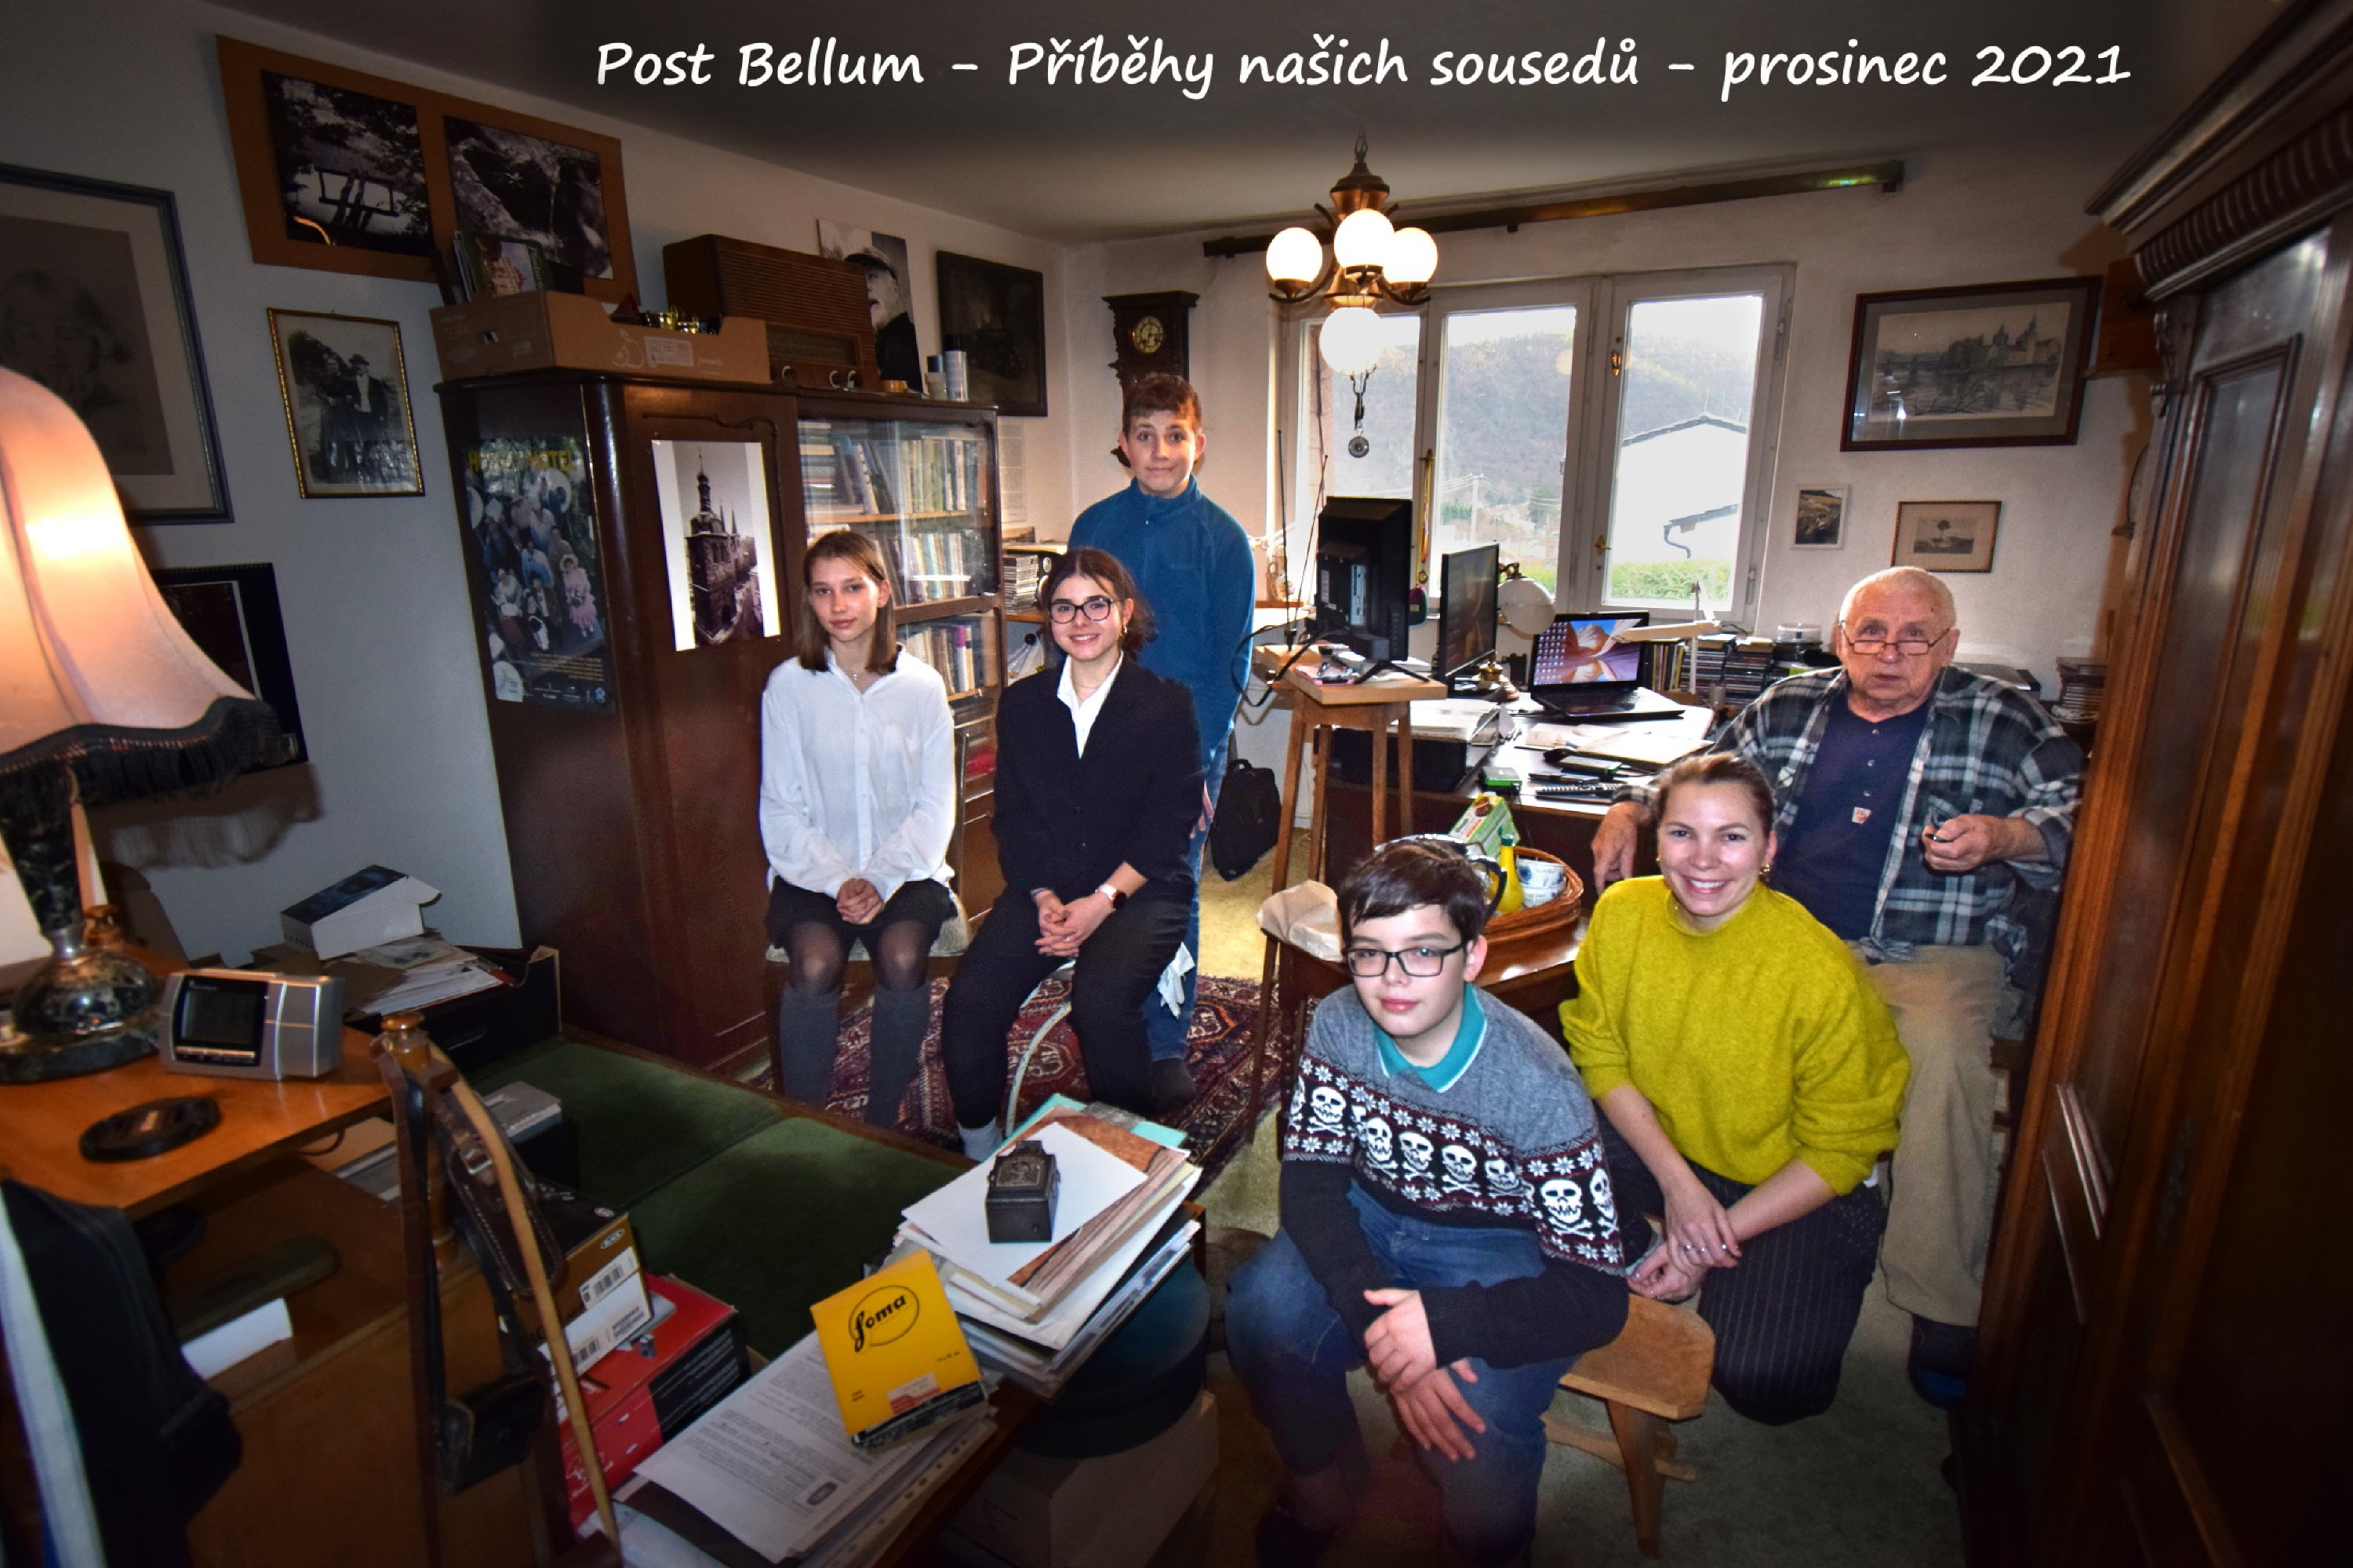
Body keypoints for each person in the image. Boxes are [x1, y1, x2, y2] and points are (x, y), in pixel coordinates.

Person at [1588, 566, 2082, 1406]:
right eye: (1870, 633)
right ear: (1840, 639)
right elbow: (1698, 774)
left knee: (1939, 1057)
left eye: (1915, 636)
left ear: (1950, 645)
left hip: (1931, 947)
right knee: (1678, 1020)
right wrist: (1629, 808)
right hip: (1785, 933)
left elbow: (2087, 811)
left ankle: (1939, 1295)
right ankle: (1720, 1188)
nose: (1890, 652)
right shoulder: (1788, 704)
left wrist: (2008, 835)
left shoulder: (2005, 717)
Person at [1225, 839, 1630, 1568]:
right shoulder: (1338, 1022)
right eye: (1369, 954)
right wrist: (1388, 1332)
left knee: (1476, 1415)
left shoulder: (1539, 1083)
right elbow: (1310, 1180)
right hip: (1370, 1210)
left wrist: (1445, 1327)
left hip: (1497, 1243)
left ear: (1472, 957)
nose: (1390, 980)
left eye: (1422, 952)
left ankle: (1489, 1548)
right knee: (1260, 1316)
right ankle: (1326, 1488)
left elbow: (1597, 1294)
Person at [1563, 751, 1911, 1424]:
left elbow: (1842, 1147)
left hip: (1793, 1178)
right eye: (1682, 833)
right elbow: (1600, 1056)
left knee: (1762, 1383)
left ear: (1768, 847)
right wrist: (1681, 1191)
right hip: (1675, 1151)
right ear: (1656, 839)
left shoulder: (1816, 969)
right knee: (1535, 1135)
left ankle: (1815, 1263)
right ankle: (1644, 1244)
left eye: (1732, 836)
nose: (1703, 859)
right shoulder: (1623, 913)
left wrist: (1704, 1239)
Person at [940, 548, 1201, 1151]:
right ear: (1049, 618)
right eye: (1064, 607)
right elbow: (1015, 819)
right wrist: (1042, 895)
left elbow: (1167, 830)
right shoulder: (1023, 705)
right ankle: (978, 1148)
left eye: (1096, 605)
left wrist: (1102, 902)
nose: (1080, 620)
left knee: (1102, 1001)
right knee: (970, 1000)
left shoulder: (1167, 705)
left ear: (1125, 613)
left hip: (1140, 889)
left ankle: (1128, 1153)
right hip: (1046, 887)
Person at [1068, 373, 1257, 1109]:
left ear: (1197, 444)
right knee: (1106, 876)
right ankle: (1109, 1015)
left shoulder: (1224, 539)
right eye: (1144, 435)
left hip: (1185, 746)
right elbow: (1071, 635)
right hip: (1101, 739)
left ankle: (1167, 1037)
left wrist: (1196, 764)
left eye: (1174, 435)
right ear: (1123, 443)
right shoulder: (1094, 526)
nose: (1159, 450)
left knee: (1172, 881)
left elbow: (1229, 663)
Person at [758, 529, 958, 1126]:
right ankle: (805, 1123)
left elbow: (935, 806)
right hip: (813, 872)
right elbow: (780, 806)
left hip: (908, 869)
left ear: (882, 592)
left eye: (852, 588)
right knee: (815, 963)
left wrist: (879, 877)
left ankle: (880, 1120)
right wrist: (839, 879)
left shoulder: (922, 687)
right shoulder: (788, 686)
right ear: (809, 600)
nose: (838, 605)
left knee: (902, 954)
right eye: (822, 591)